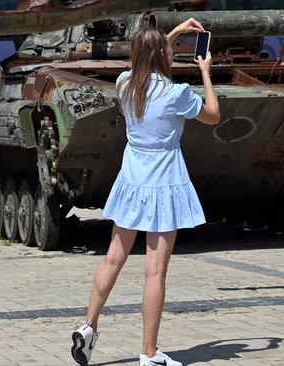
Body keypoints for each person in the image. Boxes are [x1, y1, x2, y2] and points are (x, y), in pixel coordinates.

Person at [70, 18, 220, 366]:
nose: (172, 50)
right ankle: (149, 354)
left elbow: (145, 57)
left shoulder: (125, 84)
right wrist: (206, 71)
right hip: (164, 184)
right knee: (155, 272)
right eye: (169, 48)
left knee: (113, 257)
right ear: (163, 56)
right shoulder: (175, 94)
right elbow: (213, 114)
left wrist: (175, 32)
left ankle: (89, 326)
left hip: (132, 181)